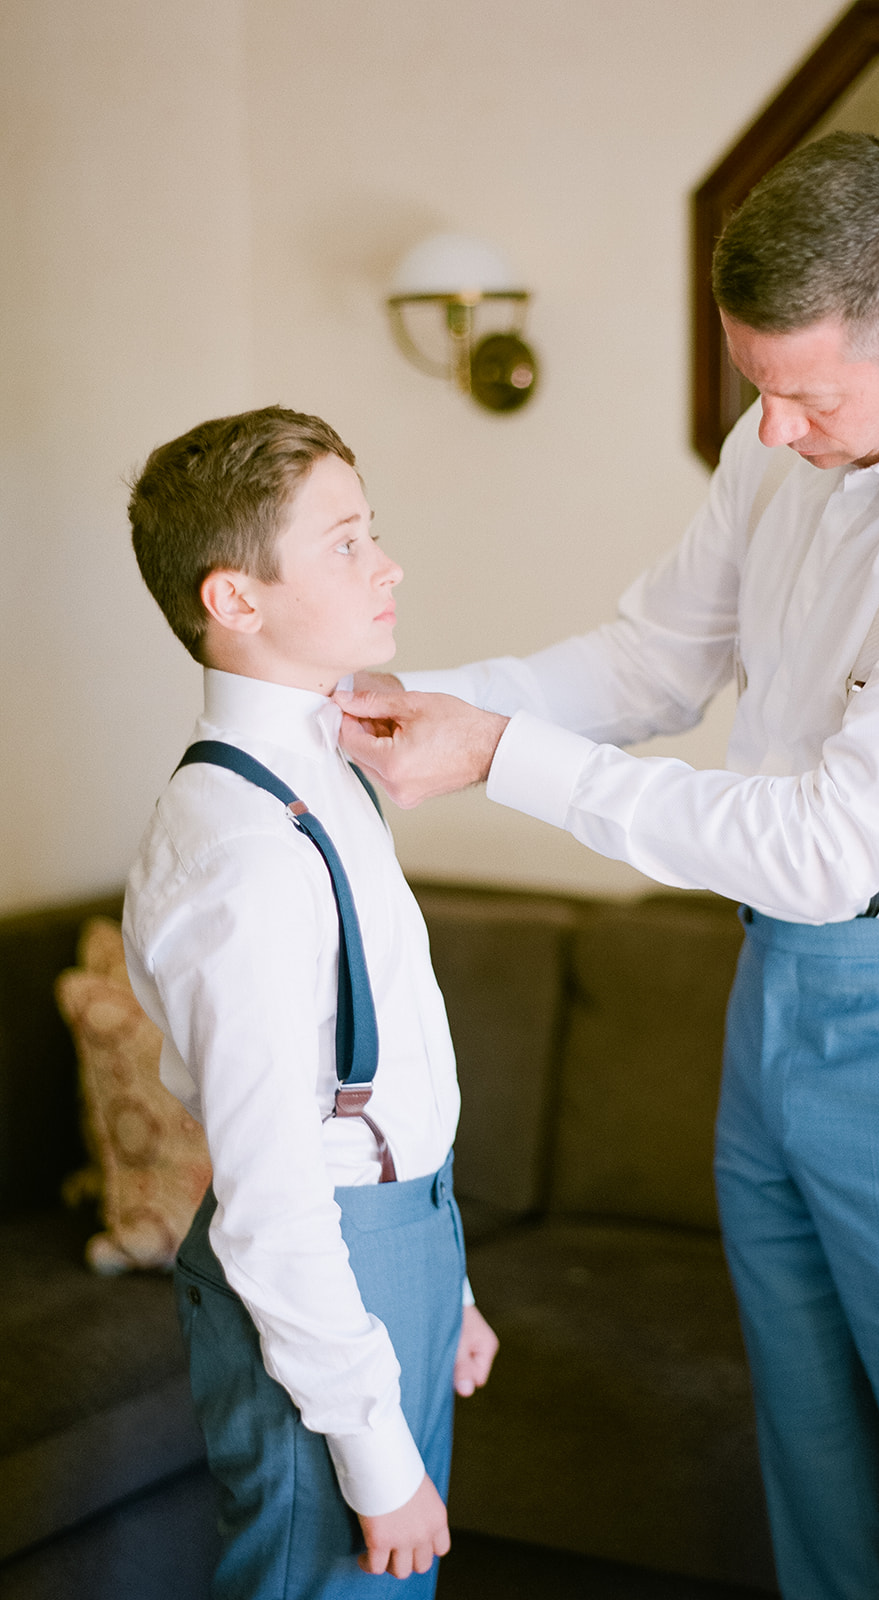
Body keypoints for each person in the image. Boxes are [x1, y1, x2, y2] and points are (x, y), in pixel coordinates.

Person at [335, 134, 879, 1599]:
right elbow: (657, 659)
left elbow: (830, 842)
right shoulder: (780, 446)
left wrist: (497, 758)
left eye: (807, 393)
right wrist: (422, 702)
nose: (769, 430)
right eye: (752, 384)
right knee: (818, 1465)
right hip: (781, 986)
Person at [122, 406, 498, 1599]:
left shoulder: (327, 765)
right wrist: (376, 1450)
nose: (386, 564)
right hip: (322, 1260)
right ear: (235, 599)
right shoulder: (238, 849)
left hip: (400, 1244)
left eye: (370, 531)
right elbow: (272, 1188)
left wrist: (448, 1284)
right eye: (344, 542)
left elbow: (389, 1067)